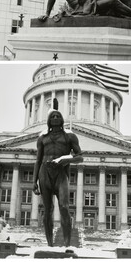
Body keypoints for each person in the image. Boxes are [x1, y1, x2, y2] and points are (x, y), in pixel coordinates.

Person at [32, 101, 83, 247]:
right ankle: (49, 244)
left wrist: (64, 159)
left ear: (62, 119)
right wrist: (33, 181)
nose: (55, 118)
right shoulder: (42, 137)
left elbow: (80, 157)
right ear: (49, 120)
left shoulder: (69, 137)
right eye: (52, 116)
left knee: (64, 207)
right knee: (47, 210)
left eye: (58, 116)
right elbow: (38, 160)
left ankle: (67, 244)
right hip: (44, 173)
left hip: (61, 174)